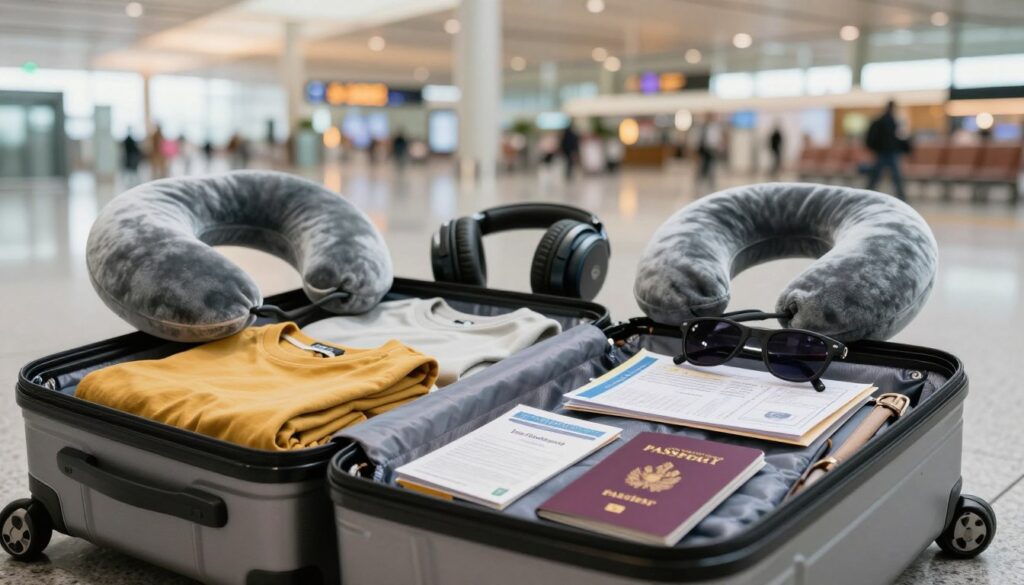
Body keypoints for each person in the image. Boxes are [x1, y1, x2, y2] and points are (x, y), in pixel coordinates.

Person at [865, 100, 907, 201]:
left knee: (876, 176)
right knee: (895, 176)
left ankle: (867, 193)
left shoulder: (881, 119)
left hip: (882, 152)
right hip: (889, 152)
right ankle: (902, 196)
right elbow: (894, 137)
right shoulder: (891, 120)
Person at [696, 115, 723, 192]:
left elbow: (718, 140)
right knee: (701, 170)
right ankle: (699, 186)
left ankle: (711, 187)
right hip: (703, 151)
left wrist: (719, 148)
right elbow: (697, 141)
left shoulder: (715, 128)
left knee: (712, 169)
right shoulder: (701, 127)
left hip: (712, 151)